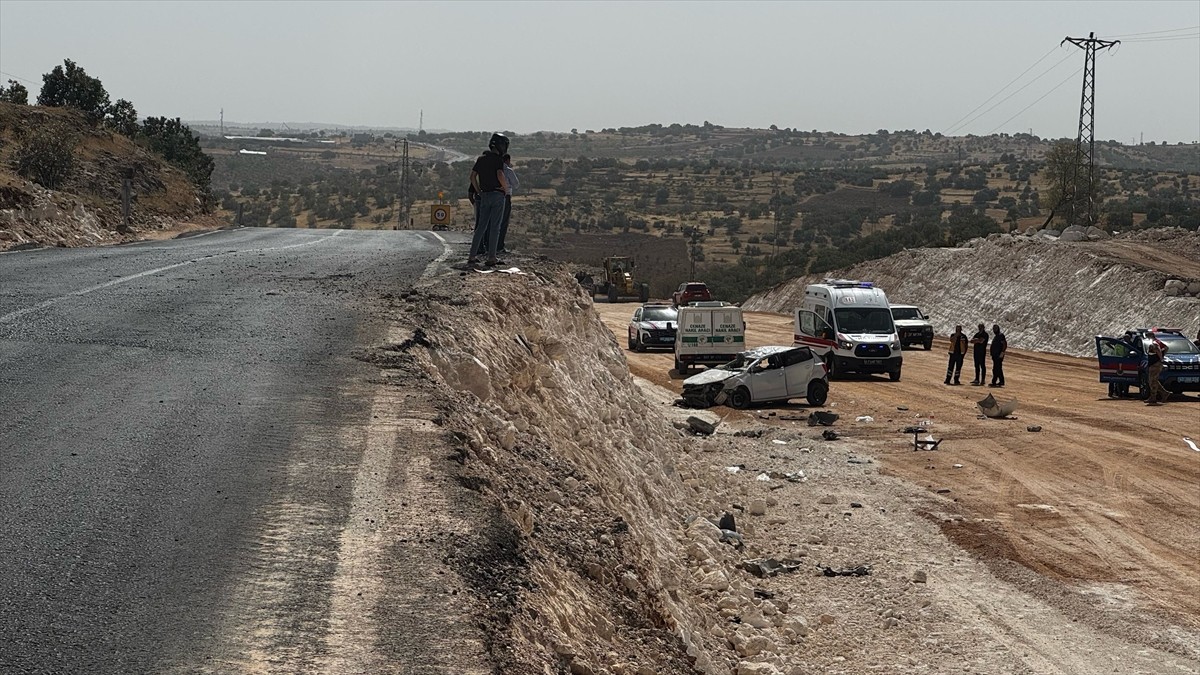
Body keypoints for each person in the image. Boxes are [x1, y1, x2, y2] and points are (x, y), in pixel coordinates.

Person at [468, 134, 509, 267]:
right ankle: (492, 257)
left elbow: (472, 176)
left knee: (481, 227)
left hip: (484, 195)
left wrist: (478, 191)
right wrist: (505, 188)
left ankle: (472, 256)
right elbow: (500, 174)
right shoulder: (498, 160)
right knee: (495, 227)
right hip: (497, 194)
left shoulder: (481, 159)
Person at [496, 154, 519, 254]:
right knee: (504, 222)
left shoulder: (494, 169)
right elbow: (516, 184)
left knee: (494, 222)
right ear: (508, 160)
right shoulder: (509, 171)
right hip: (505, 196)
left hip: (494, 196)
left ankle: (490, 245)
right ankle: (499, 246)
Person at [1145, 334, 1170, 405]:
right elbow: (1166, 348)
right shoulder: (1158, 341)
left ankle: (1153, 397)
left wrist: (1160, 358)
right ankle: (1164, 393)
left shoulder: (1154, 343)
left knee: (1152, 381)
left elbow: (1157, 349)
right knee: (1154, 380)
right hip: (1155, 363)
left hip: (1154, 364)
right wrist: (1162, 355)